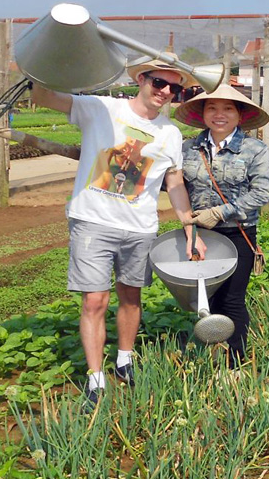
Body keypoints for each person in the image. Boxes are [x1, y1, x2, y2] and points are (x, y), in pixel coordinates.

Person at [31, 57, 205, 408]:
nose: (166, 92)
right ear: (141, 79)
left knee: (131, 295)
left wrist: (190, 226)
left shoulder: (170, 133)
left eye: (175, 88)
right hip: (93, 221)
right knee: (95, 300)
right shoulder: (100, 109)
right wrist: (49, 57)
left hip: (140, 227)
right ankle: (96, 379)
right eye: (159, 83)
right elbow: (43, 96)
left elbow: (173, 182)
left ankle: (125, 359)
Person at [174, 85, 269, 368]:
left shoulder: (254, 149)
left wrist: (219, 212)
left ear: (240, 115)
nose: (220, 115)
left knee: (232, 299)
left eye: (228, 108)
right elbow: (173, 184)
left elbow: (262, 192)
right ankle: (211, 355)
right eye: (212, 108)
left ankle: (235, 363)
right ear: (202, 114)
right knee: (207, 298)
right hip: (199, 236)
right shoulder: (188, 149)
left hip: (237, 234)